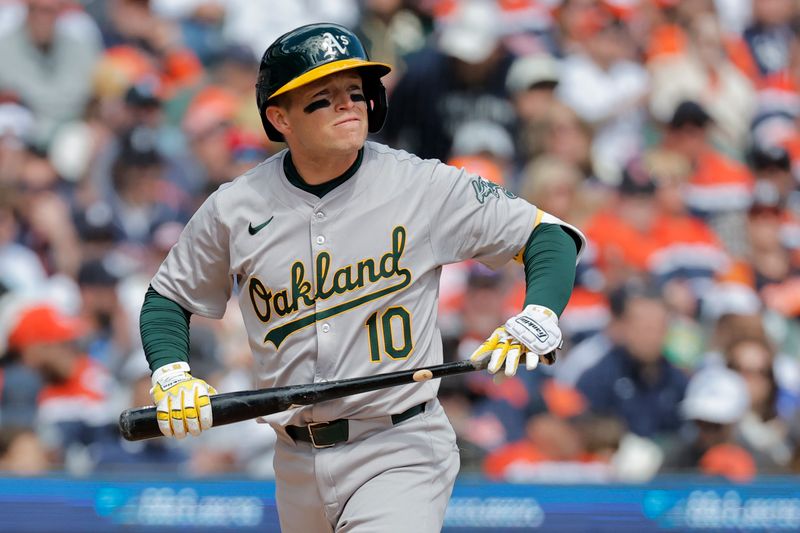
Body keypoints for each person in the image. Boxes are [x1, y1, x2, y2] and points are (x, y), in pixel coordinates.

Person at [138, 23, 584, 532]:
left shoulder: (422, 184)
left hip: (399, 444)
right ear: (279, 117)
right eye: (324, 98)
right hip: (294, 460)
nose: (349, 105)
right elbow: (168, 298)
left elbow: (547, 236)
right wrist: (172, 375)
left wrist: (540, 309)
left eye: (356, 92)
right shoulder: (235, 207)